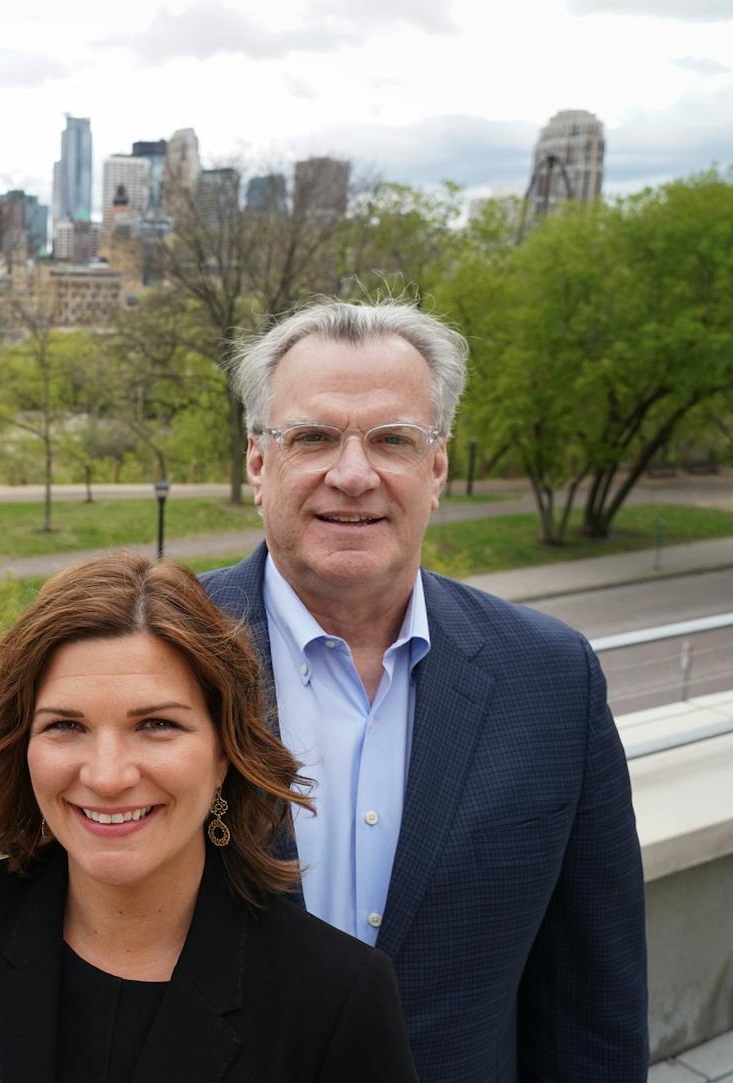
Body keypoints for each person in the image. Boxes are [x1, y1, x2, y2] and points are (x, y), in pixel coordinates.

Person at [201, 299, 648, 1081]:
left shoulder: (551, 680)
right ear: (258, 462)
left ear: (436, 468)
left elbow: (593, 1000)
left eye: (392, 440)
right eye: (311, 437)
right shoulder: (159, 651)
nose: (352, 473)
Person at [0, 552, 418, 1083]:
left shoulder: (336, 996)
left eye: (155, 725)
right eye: (66, 726)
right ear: (22, 746)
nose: (107, 776)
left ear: (225, 753)